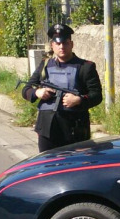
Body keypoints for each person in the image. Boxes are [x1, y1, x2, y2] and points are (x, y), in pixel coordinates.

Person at [22, 23, 103, 152]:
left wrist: (79, 100)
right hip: (47, 128)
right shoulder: (45, 65)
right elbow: (26, 89)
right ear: (52, 45)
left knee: (74, 168)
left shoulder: (85, 67)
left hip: (75, 128)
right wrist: (37, 92)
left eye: (65, 43)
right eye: (58, 44)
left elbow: (97, 95)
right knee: (48, 167)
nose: (62, 47)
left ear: (71, 44)